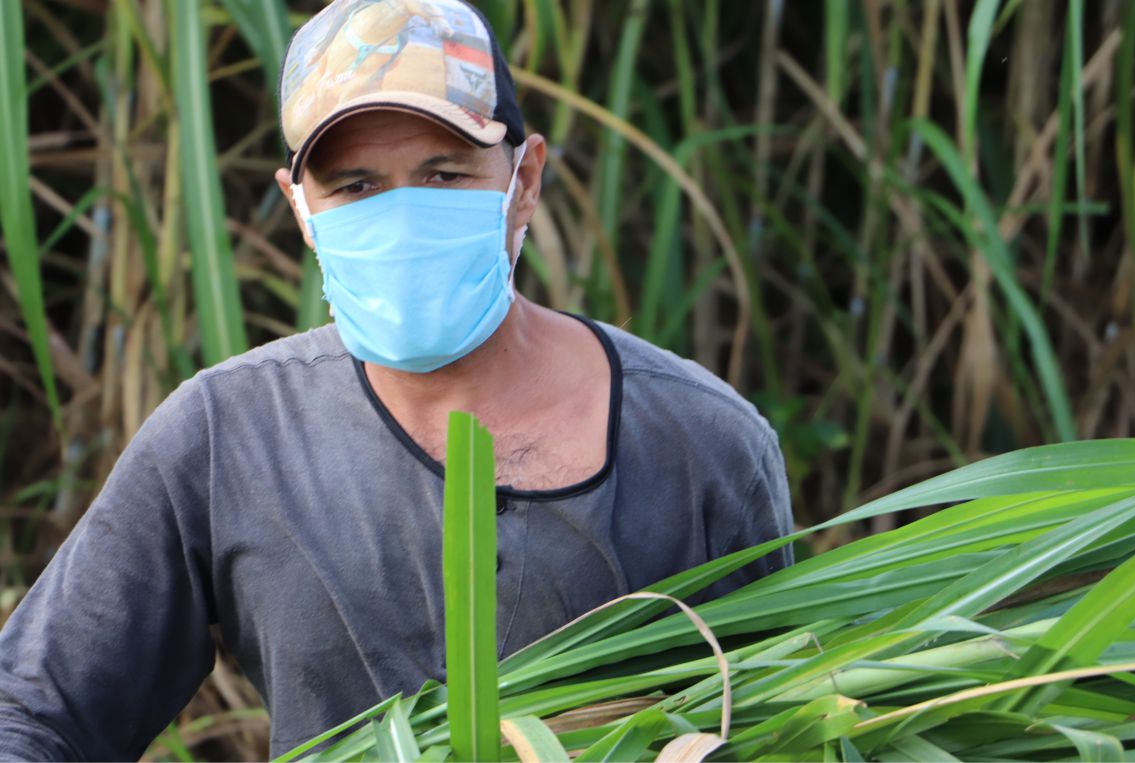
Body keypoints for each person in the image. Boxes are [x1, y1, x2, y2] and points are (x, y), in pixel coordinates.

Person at [0, 0, 793, 759]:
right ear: (300, 208)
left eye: (445, 175)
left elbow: (781, 718)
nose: (405, 216)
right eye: (356, 186)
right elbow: (36, 711)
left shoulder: (700, 443)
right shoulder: (229, 434)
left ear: (525, 179)